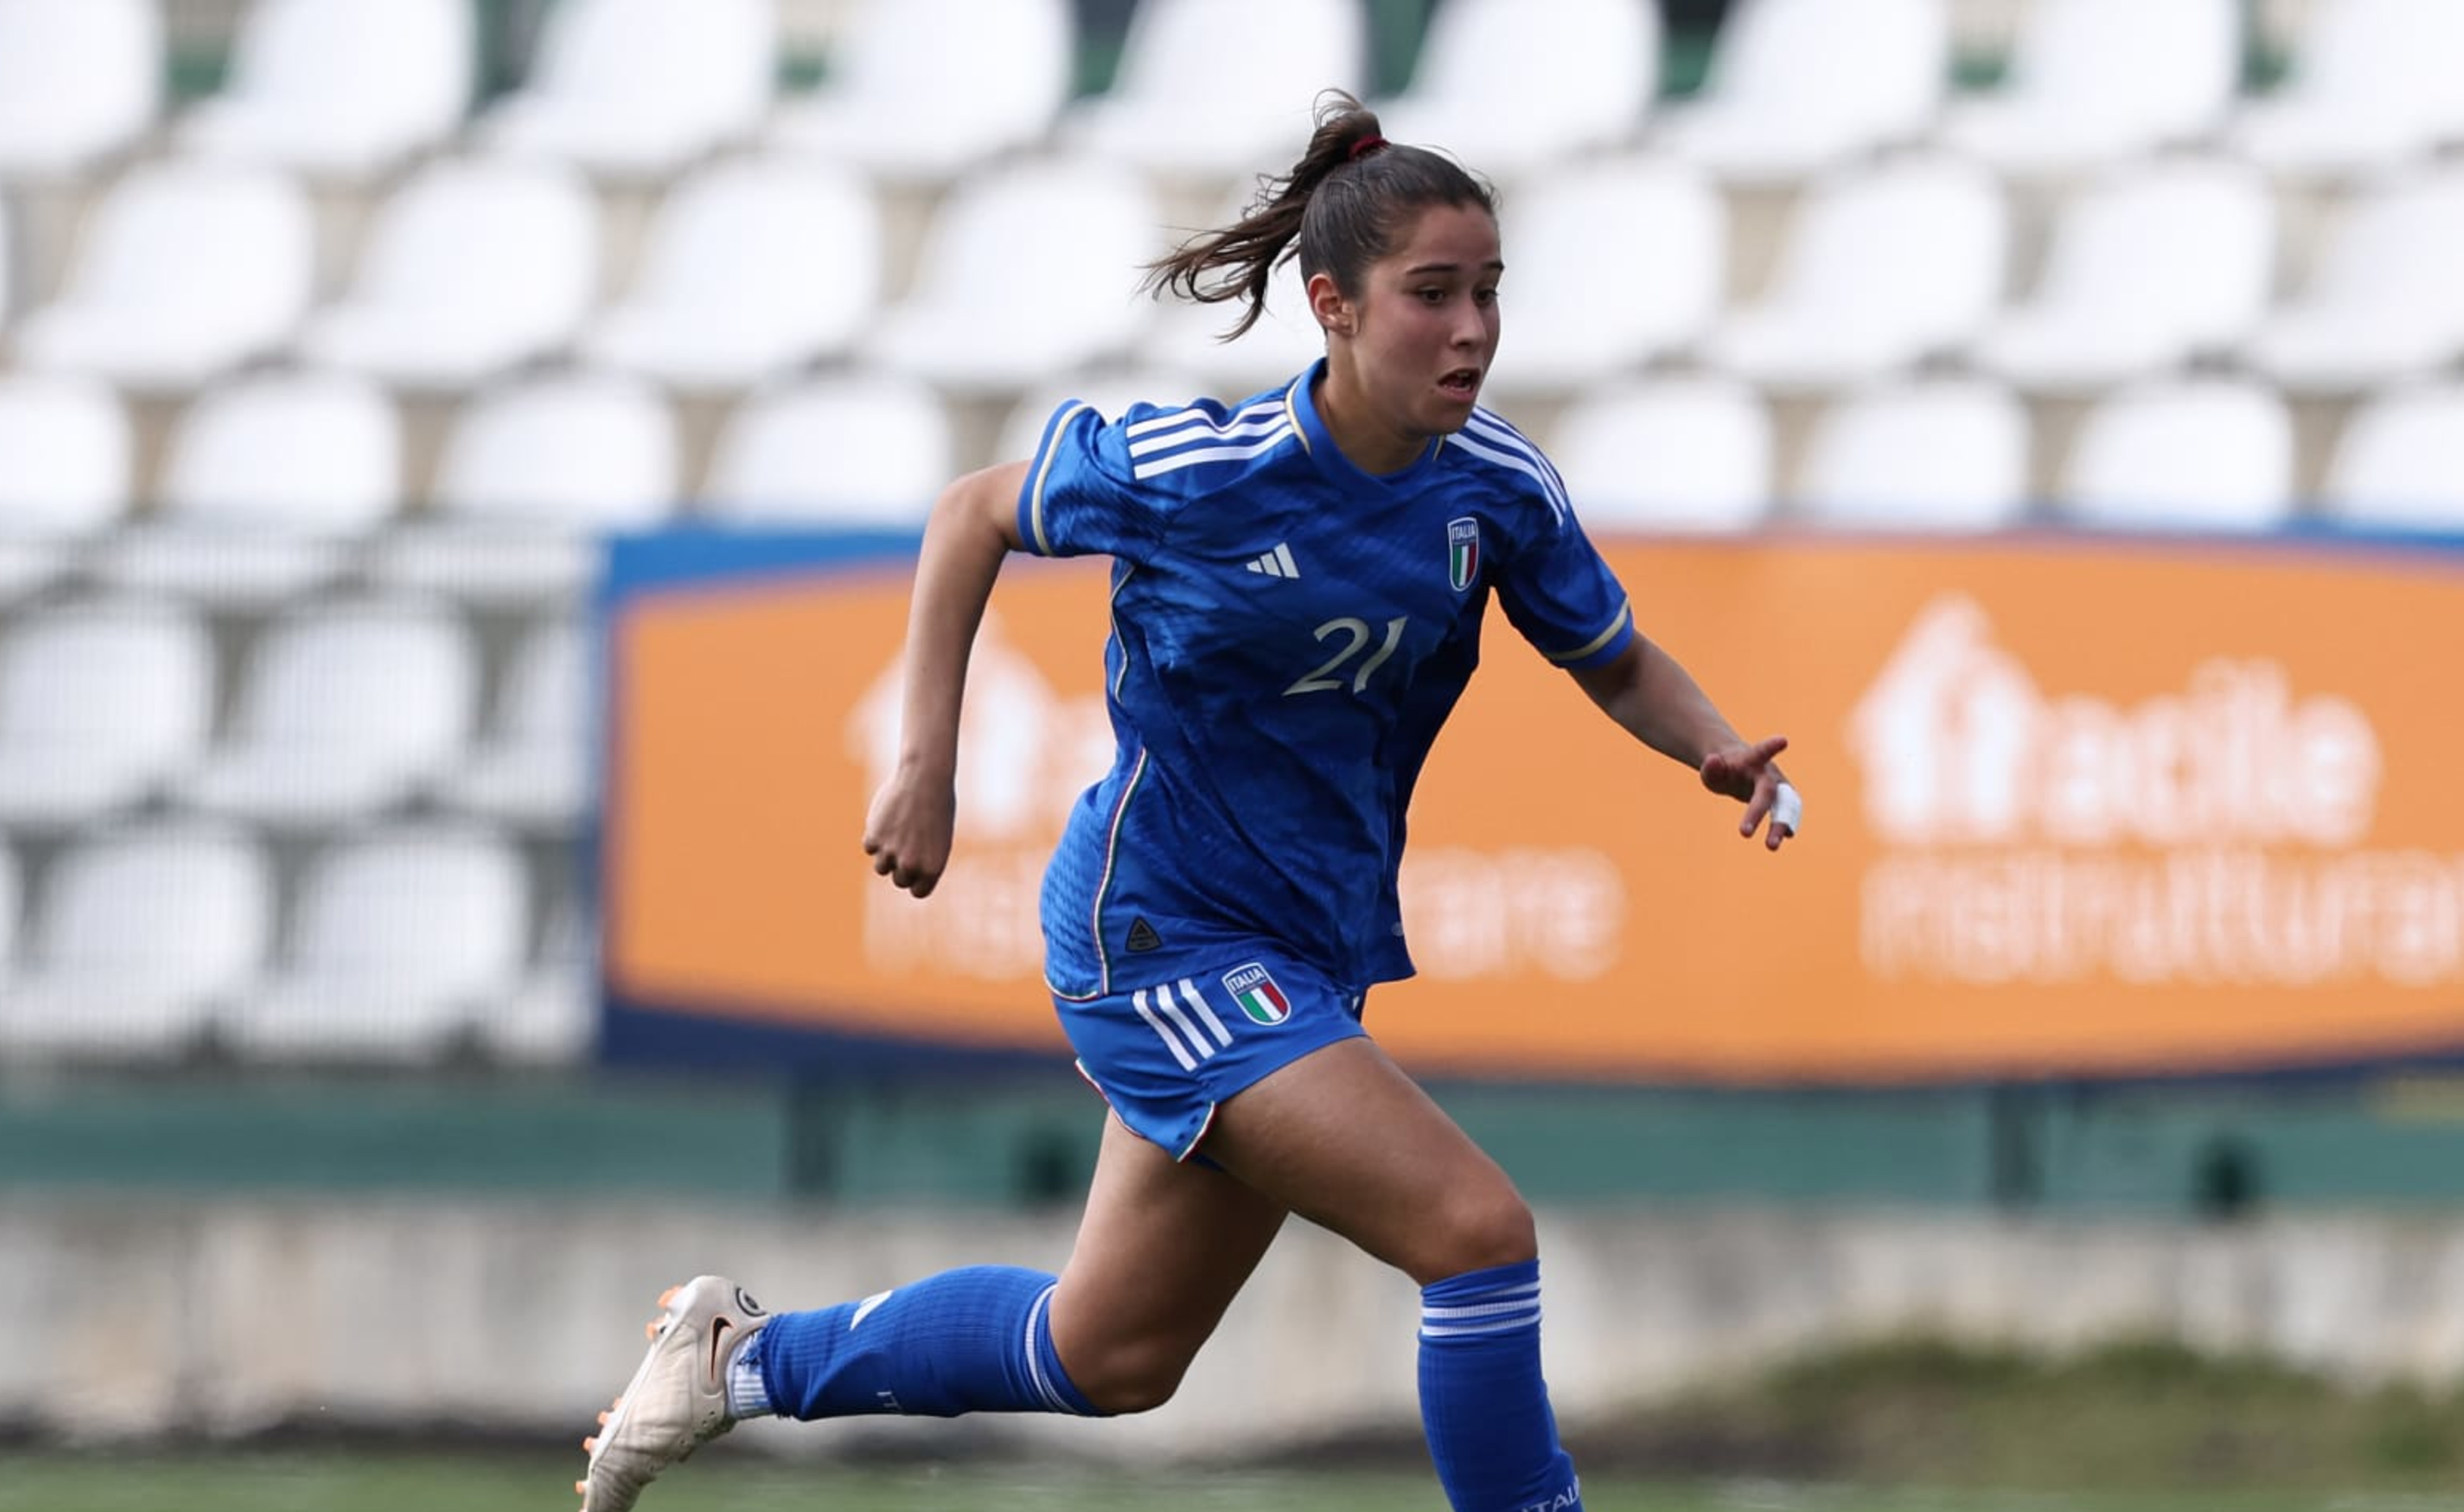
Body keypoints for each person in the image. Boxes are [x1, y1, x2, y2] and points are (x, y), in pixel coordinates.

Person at [576, 91, 1799, 1512]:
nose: (1472, 330)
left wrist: (1713, 746)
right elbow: (973, 511)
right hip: (1157, 932)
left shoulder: (1497, 490)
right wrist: (924, 758)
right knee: (1474, 1233)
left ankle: (739, 1358)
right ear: (1333, 307)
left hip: (1306, 949)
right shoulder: (1198, 472)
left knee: (1113, 1351)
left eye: (1489, 295)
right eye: (1432, 296)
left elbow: (1616, 656)